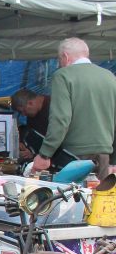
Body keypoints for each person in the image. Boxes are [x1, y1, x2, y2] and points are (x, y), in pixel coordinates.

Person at [32, 37, 116, 175]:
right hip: (104, 154)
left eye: (59, 59)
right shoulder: (109, 77)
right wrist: (113, 160)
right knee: (100, 195)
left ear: (65, 56)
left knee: (73, 196)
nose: (60, 64)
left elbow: (60, 119)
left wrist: (44, 154)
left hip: (74, 155)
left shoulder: (63, 76)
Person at [11, 89, 51, 160]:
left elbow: (56, 138)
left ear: (30, 103)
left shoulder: (54, 108)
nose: (23, 115)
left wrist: (36, 154)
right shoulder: (32, 115)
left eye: (23, 111)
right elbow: (32, 136)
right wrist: (22, 143)